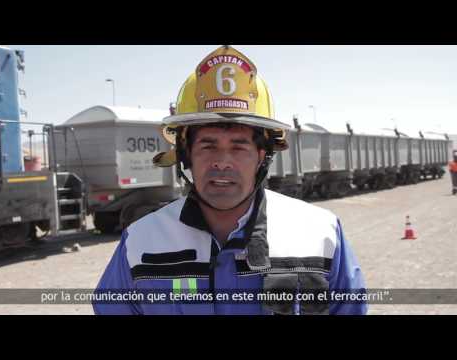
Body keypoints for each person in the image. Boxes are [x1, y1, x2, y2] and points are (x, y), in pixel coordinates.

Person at [93, 45, 367, 315]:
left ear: (263, 156)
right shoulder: (142, 241)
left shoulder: (319, 233)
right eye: (208, 146)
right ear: (186, 155)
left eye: (238, 147)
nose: (222, 161)